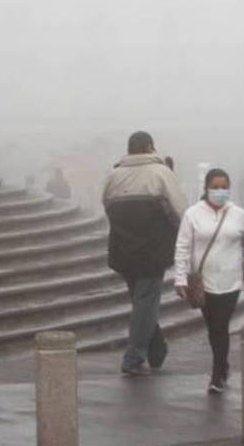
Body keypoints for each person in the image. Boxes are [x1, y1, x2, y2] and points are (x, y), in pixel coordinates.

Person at [102, 131, 187, 376]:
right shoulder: (161, 173)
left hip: (122, 248)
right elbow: (181, 210)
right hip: (153, 249)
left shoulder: (114, 175)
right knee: (145, 302)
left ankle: (156, 348)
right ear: (150, 147)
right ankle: (134, 357)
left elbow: (106, 204)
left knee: (141, 302)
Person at [173, 168, 244, 394]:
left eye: (224, 187)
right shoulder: (192, 214)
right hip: (203, 282)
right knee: (213, 326)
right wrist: (180, 277)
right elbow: (182, 247)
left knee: (220, 325)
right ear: (206, 188)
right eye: (215, 187)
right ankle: (222, 364)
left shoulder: (239, 214)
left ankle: (217, 374)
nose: (220, 191)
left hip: (230, 281)